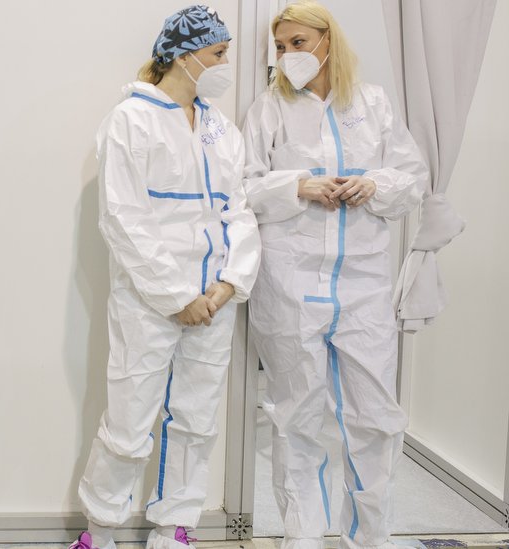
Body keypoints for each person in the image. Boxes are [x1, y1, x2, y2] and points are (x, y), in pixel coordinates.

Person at [72, 6, 261, 549]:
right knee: (130, 418)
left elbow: (240, 211)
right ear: (184, 55)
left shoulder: (221, 129)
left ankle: (176, 525)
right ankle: (100, 530)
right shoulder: (130, 120)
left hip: (215, 302)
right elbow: (123, 218)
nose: (226, 64)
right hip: (148, 301)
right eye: (219, 53)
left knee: (197, 420)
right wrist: (177, 295)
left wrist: (229, 283)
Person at [241, 2, 428, 549]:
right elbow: (241, 187)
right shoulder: (269, 108)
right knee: (296, 417)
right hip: (289, 286)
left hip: (363, 286)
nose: (287, 55)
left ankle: (368, 538)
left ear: (328, 41)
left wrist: (374, 184)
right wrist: (296, 186)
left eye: (298, 43)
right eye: (280, 47)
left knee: (375, 417)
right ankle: (302, 536)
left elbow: (412, 177)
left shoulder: (372, 104)